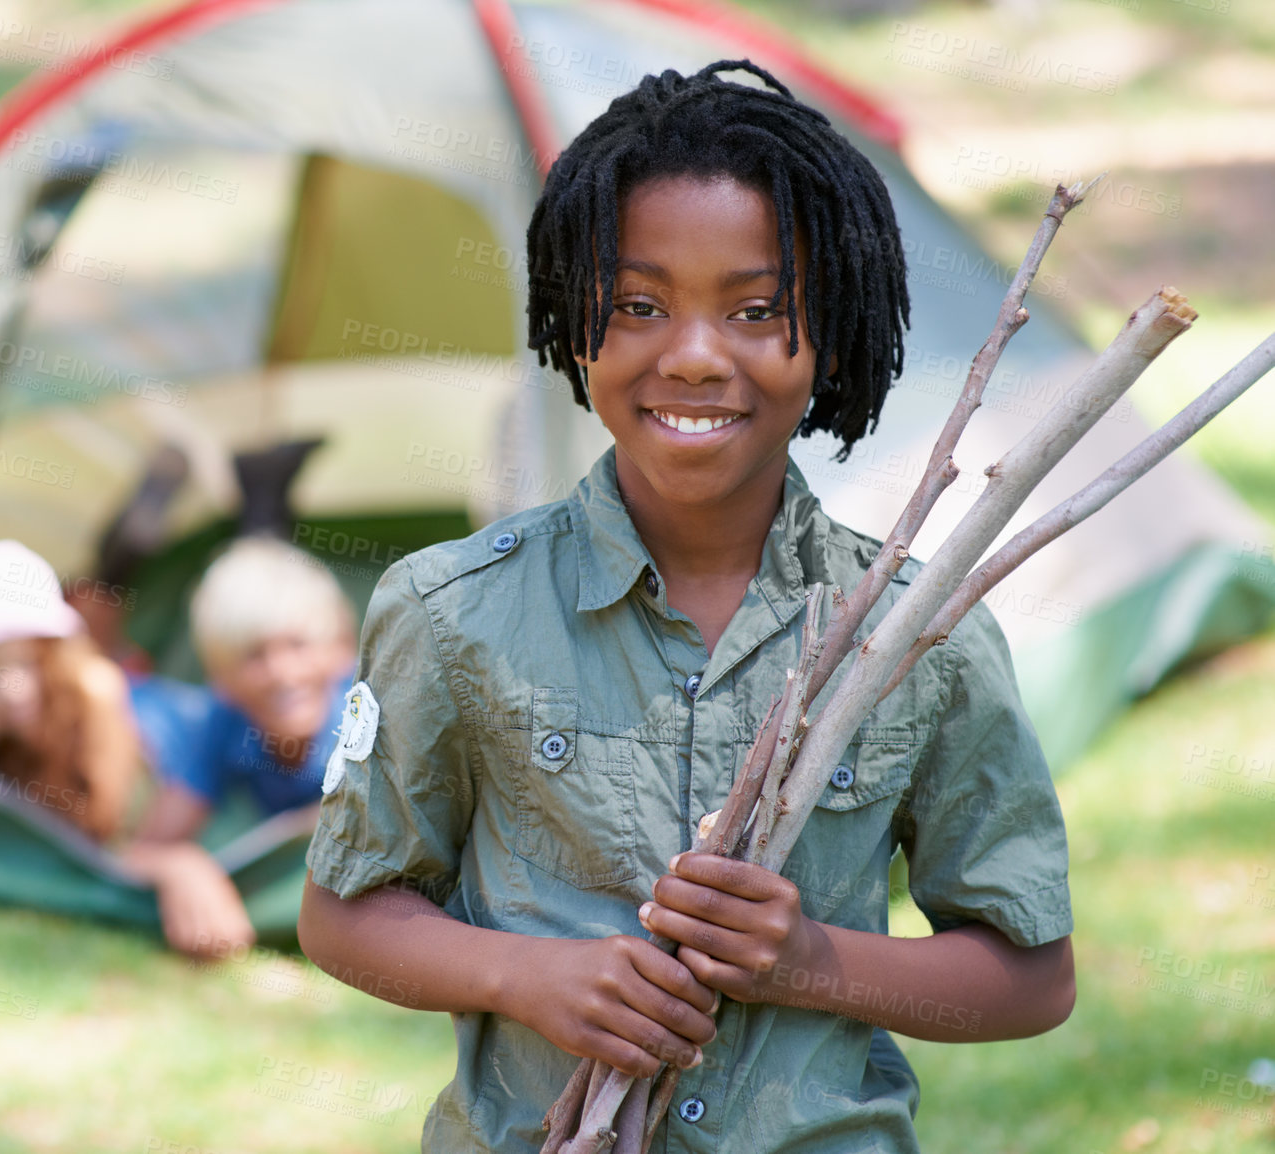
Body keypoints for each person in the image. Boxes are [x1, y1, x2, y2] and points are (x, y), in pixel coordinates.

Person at [297, 62, 1075, 1152]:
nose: (696, 354)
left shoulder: (914, 632)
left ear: (836, 332)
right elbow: (344, 909)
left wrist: (811, 963)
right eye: (638, 305)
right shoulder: (448, 611)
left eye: (757, 309)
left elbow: (1029, 977)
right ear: (576, 325)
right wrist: (523, 973)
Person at [120, 536, 356, 961]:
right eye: (253, 655)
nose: (282, 673)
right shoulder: (222, 722)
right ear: (221, 674)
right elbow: (143, 849)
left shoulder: (370, 712)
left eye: (298, 645)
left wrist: (299, 826)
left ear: (340, 647)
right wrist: (183, 867)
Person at [0, 539, 140, 842]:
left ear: (51, 655)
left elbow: (95, 831)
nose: (13, 691)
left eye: (25, 664)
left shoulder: (92, 696)